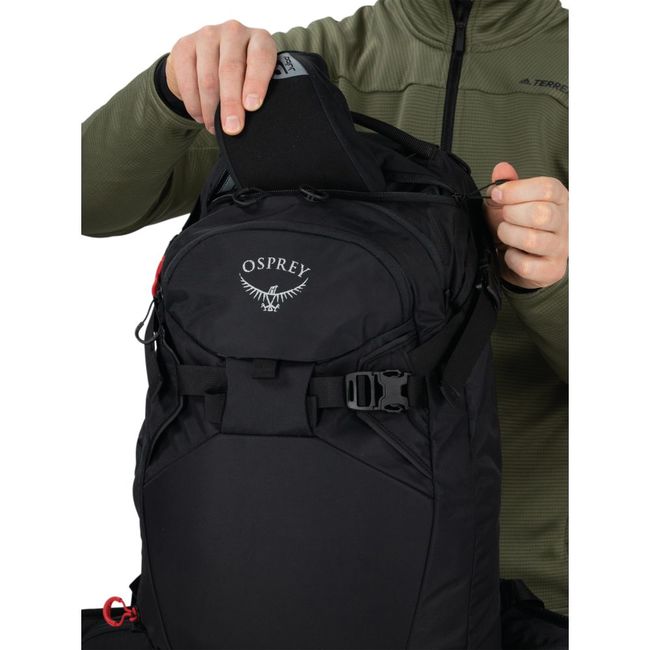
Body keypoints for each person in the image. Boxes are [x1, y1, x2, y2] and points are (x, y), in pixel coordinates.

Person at [82, 0, 568, 645]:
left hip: (533, 595)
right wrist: (169, 91)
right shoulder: (302, 67)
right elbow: (84, 200)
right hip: (267, 582)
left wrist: (555, 283)